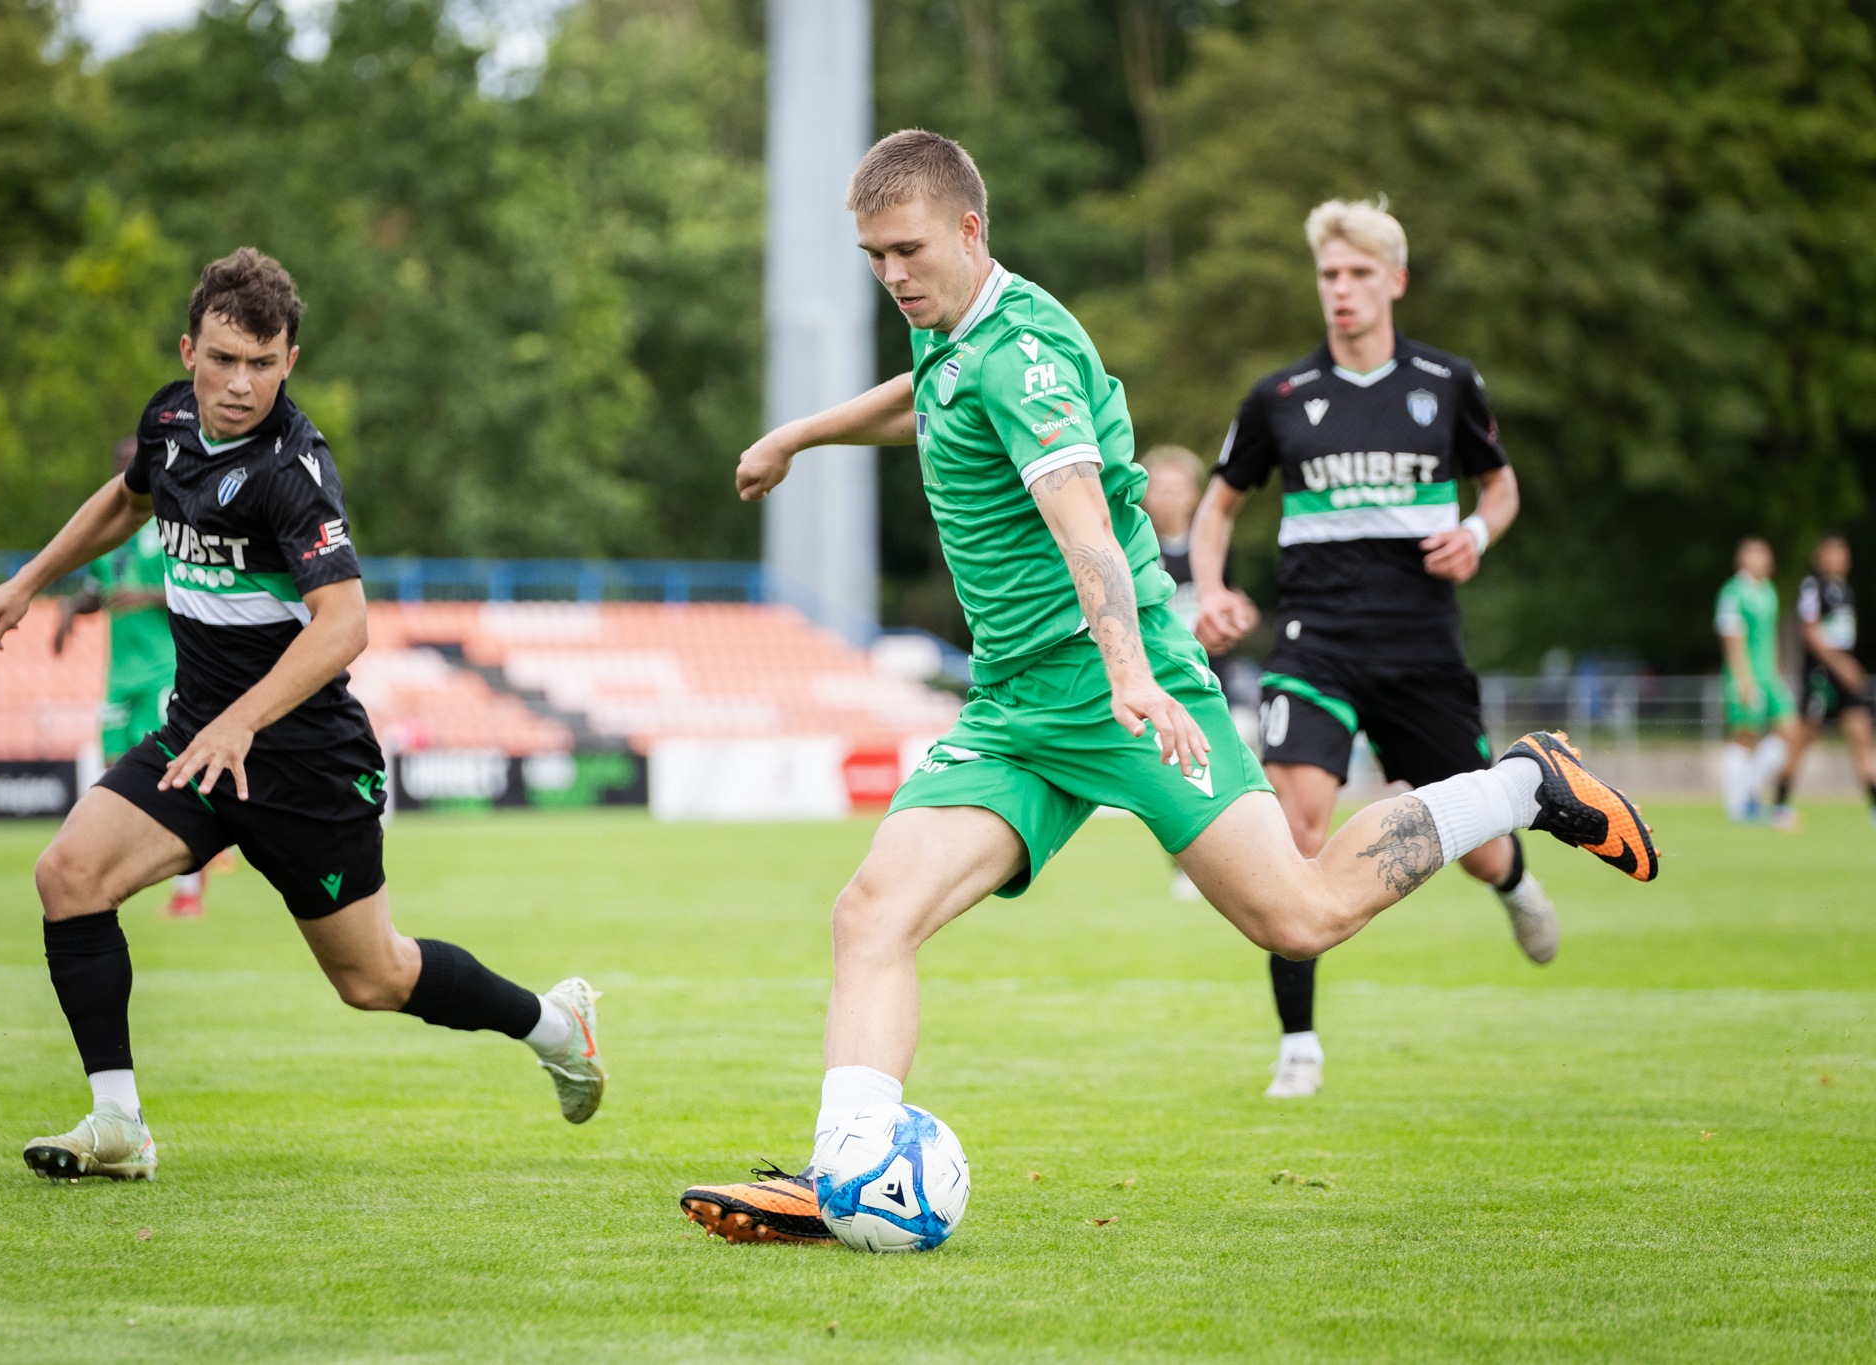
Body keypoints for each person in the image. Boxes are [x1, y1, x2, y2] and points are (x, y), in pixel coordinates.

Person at [677, 131, 1655, 1244]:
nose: (891, 276)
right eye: (870, 258)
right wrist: (797, 437)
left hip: (1116, 690)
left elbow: (1083, 522)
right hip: (1014, 712)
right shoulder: (956, 340)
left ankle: (1524, 784)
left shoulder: (1027, 352)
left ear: (968, 228)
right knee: (871, 912)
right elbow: (924, 394)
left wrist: (1133, 676)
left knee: (1297, 917)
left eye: (905, 250)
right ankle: (844, 1170)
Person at [0, 249, 607, 1183]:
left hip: (303, 761)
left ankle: (555, 1024)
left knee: (374, 979)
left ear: (290, 362)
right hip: (196, 741)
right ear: (190, 348)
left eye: (263, 364)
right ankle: (118, 1124)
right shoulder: (169, 419)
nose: (240, 384)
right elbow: (127, 500)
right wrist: (31, 579)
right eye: (224, 359)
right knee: (67, 875)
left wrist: (242, 723)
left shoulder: (292, 471)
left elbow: (344, 623)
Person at [1190, 200, 1563, 1101]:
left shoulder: (1448, 382)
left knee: (1474, 844)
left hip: (1422, 646)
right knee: (1293, 828)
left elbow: (1502, 486)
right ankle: (1299, 1045)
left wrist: (1476, 530)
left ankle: (1512, 882)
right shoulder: (1279, 398)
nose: (1341, 291)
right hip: (1315, 642)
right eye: (1329, 275)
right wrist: (1212, 588)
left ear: (1394, 280)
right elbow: (1217, 508)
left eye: (1359, 274)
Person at [55, 437, 212, 918]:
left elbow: (197, 588)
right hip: (118, 678)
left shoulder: (173, 530)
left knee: (167, 777)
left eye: (137, 464)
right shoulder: (110, 534)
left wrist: (143, 596)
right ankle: (116, 868)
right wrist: (67, 612)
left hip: (162, 670)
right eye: (123, 466)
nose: (132, 473)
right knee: (112, 774)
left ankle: (190, 889)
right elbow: (96, 590)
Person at [1138, 445, 1257, 905]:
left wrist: (1238, 615)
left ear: (1194, 495)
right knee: (1177, 781)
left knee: (1238, 777)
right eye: (1159, 489)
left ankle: (1249, 863)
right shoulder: (1135, 547)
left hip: (1216, 683)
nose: (1167, 498)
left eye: (1176, 488)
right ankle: (1188, 869)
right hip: (1163, 688)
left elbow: (1235, 601)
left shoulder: (1214, 550)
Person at [1774, 534, 1875, 826]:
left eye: (1842, 553)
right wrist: (1841, 663)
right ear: (1820, 557)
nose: (1838, 558)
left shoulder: (1845, 591)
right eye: (1831, 552)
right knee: (1805, 738)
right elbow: (1810, 632)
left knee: (1861, 733)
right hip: (1821, 674)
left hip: (1845, 674)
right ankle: (1780, 803)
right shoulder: (1813, 587)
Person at [1715, 537, 1797, 825]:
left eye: (1764, 554)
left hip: (1769, 676)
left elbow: (1771, 637)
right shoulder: (1732, 592)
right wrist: (1743, 679)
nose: (1761, 560)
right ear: (1742, 559)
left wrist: (1776, 675)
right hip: (1745, 675)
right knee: (1745, 735)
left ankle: (1750, 788)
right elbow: (1731, 638)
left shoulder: (1769, 592)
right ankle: (1737, 805)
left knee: (1790, 731)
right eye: (1754, 555)